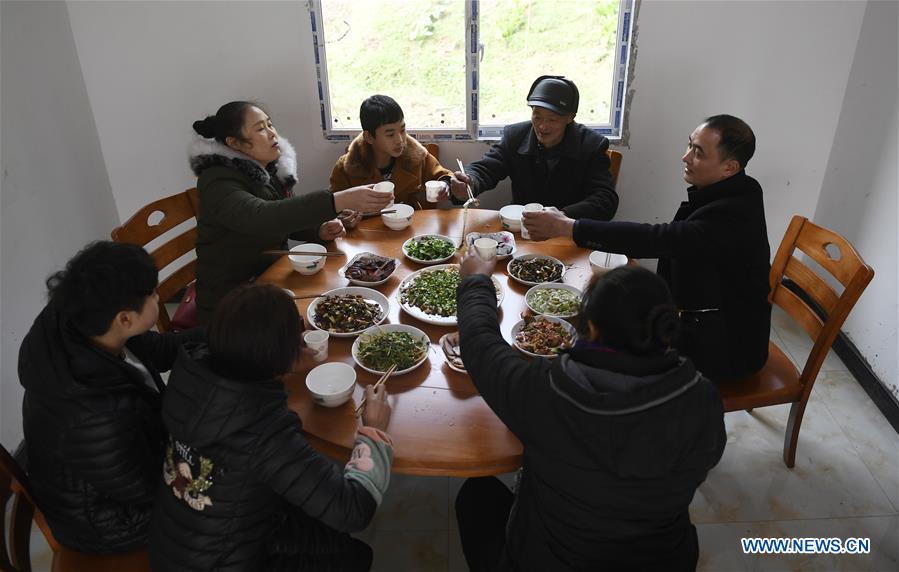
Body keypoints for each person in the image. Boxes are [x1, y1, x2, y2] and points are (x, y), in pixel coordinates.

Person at [454, 256, 726, 571]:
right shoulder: (701, 397)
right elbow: (702, 463)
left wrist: (475, 280)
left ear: (591, 328)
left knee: (476, 495)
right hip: (661, 560)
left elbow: (480, 345)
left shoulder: (548, 392)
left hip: (548, 561)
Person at [149, 284, 393, 572]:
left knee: (318, 525)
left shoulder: (188, 376)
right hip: (226, 561)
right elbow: (354, 510)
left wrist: (285, 361)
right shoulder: (262, 429)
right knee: (352, 553)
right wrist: (373, 431)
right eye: (297, 336)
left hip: (174, 548)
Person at [523, 114, 771, 381]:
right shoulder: (729, 190)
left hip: (727, 348)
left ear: (729, 167)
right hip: (698, 317)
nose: (685, 157)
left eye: (698, 153)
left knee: (604, 356)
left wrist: (567, 227)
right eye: (689, 145)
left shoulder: (735, 213)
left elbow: (660, 238)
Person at [18, 241, 203, 553]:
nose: (160, 298)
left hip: (126, 471)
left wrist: (223, 330)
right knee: (236, 491)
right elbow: (153, 487)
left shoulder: (87, 319)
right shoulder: (96, 417)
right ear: (125, 319)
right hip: (112, 522)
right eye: (155, 294)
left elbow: (158, 351)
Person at [190, 101, 393, 323]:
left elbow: (286, 214)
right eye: (260, 129)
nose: (271, 133)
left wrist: (320, 230)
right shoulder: (217, 181)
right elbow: (261, 217)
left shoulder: (267, 169)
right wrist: (337, 200)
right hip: (230, 302)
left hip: (270, 280)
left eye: (270, 125)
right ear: (235, 143)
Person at [449, 75, 618, 219]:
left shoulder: (591, 145)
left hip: (569, 231)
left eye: (552, 120)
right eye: (537, 117)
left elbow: (605, 200)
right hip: (522, 226)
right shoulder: (515, 136)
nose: (543, 127)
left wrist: (561, 216)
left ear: (570, 118)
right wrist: (470, 182)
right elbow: (487, 168)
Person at [329, 94, 467, 208]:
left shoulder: (418, 157)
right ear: (369, 137)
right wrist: (345, 219)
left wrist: (446, 185)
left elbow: (442, 176)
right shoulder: (346, 168)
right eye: (390, 134)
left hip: (416, 233)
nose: (400, 140)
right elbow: (332, 207)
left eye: (402, 130)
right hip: (369, 236)